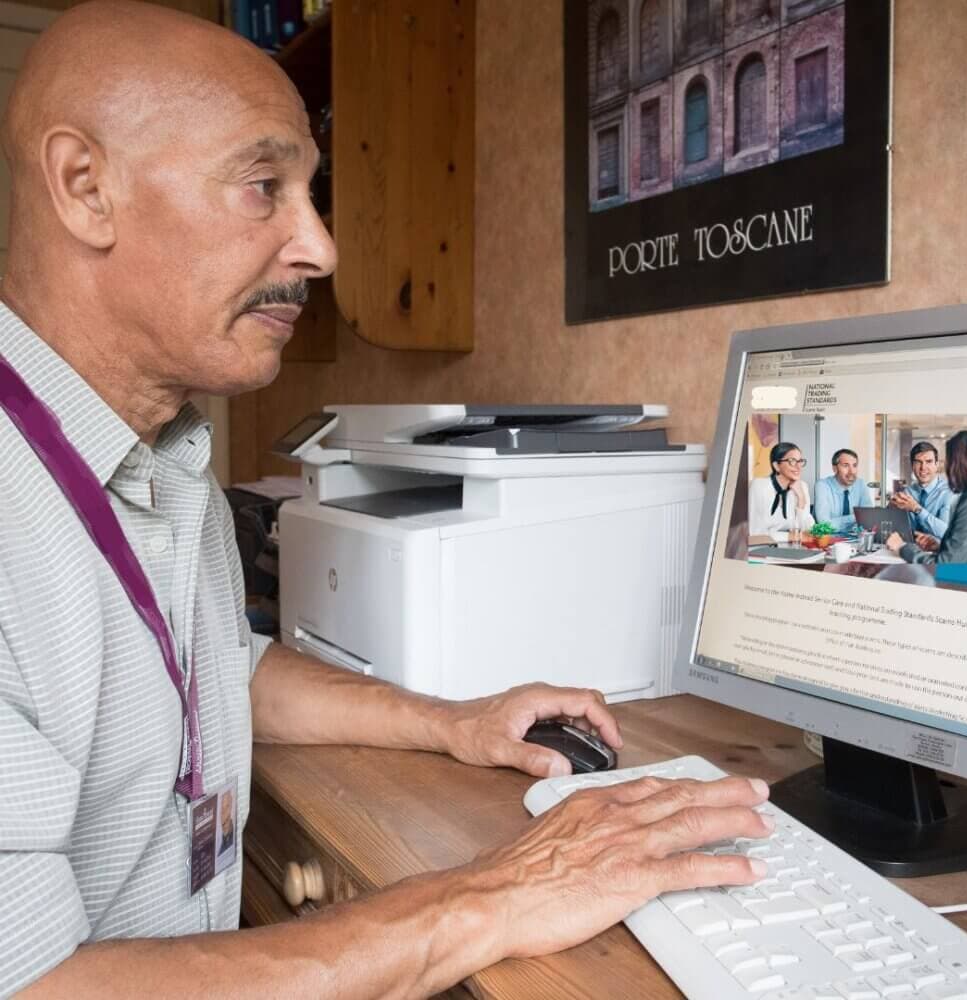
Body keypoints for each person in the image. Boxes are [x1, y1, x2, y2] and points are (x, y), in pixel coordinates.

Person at [0, 4, 771, 997]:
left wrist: (452, 721)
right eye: (262, 186)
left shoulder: (165, 448)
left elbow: (218, 671)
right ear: (84, 187)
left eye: (310, 196)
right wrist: (490, 894)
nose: (319, 247)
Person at [886, 431, 967, 565]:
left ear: (958, 464)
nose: (947, 468)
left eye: (949, 461)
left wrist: (902, 547)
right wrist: (939, 547)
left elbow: (944, 565)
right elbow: (965, 550)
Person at [888, 440, 956, 540]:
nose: (923, 468)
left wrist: (917, 509)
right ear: (912, 466)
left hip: (937, 552)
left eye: (928, 462)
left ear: (936, 465)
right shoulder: (907, 492)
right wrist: (890, 510)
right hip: (908, 549)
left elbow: (945, 532)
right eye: (918, 462)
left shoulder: (949, 493)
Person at [748, 441, 815, 540]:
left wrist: (801, 499)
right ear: (776, 466)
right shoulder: (759, 486)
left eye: (800, 461)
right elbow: (755, 532)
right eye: (792, 461)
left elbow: (809, 530)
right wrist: (789, 536)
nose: (798, 466)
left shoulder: (802, 486)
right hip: (762, 549)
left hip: (793, 548)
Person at [813, 448, 873, 532]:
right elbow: (824, 524)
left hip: (855, 540)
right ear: (835, 468)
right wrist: (857, 517)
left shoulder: (860, 484)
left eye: (854, 465)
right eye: (846, 465)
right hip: (827, 541)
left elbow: (869, 517)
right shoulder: (822, 486)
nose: (851, 471)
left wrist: (838, 522)